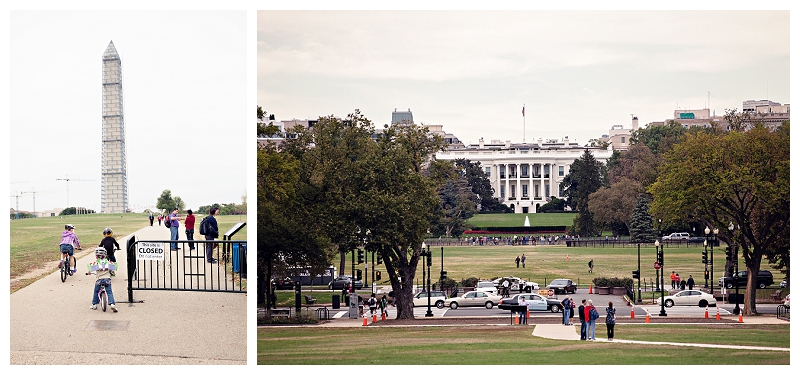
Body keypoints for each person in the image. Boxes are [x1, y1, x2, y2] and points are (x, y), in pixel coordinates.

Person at [87, 247, 117, 312]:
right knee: (109, 292)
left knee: (96, 291)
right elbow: (113, 270)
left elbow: (90, 270)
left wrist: (88, 273)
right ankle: (112, 304)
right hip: (107, 280)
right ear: (105, 255)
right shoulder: (109, 263)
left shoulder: (95, 263)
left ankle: (94, 304)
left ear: (96, 256)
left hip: (99, 280)